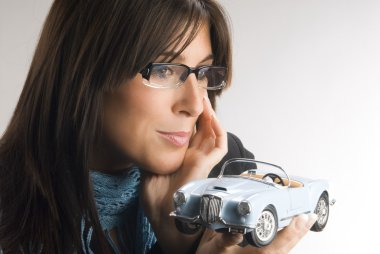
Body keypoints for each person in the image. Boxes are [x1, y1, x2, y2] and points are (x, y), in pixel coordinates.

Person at [0, 0, 317, 253]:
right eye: (164, 70)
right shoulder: (9, 203)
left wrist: (181, 239)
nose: (194, 104)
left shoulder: (225, 169)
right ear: (86, 71)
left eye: (203, 72)